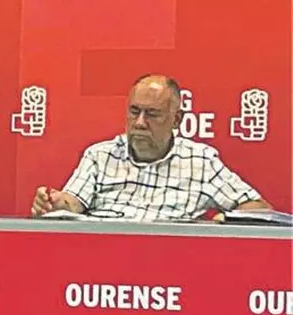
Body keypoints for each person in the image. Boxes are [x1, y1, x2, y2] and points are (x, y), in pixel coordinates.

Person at [31, 74, 271, 221]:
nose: (139, 123)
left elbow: (259, 209)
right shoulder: (100, 155)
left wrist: (226, 219)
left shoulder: (200, 162)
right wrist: (54, 204)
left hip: (170, 268)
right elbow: (72, 203)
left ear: (176, 120)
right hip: (102, 264)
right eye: (134, 111)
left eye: (152, 114)